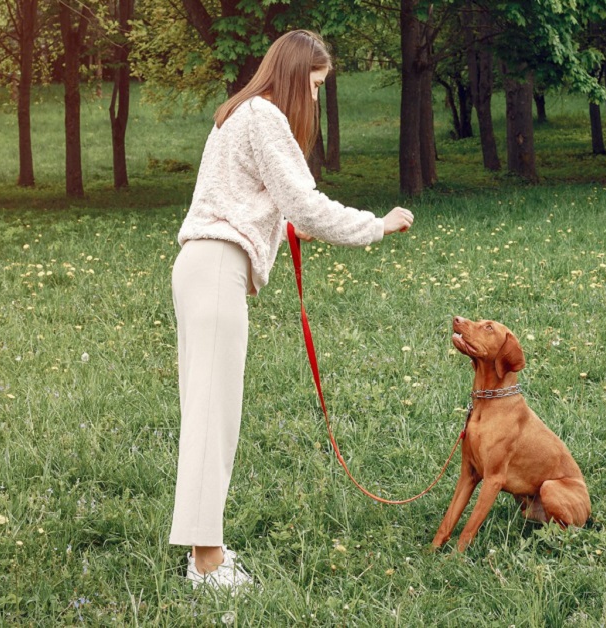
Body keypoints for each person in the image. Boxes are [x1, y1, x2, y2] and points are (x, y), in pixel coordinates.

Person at [169, 29, 414, 590]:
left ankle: (205, 550)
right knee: (213, 419)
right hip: (215, 269)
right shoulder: (265, 116)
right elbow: (304, 203)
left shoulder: (237, 114)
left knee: (211, 417)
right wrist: (376, 224)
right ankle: (205, 563)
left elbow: (272, 206)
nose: (318, 97)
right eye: (317, 84)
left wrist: (286, 226)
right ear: (295, 75)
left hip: (205, 267)